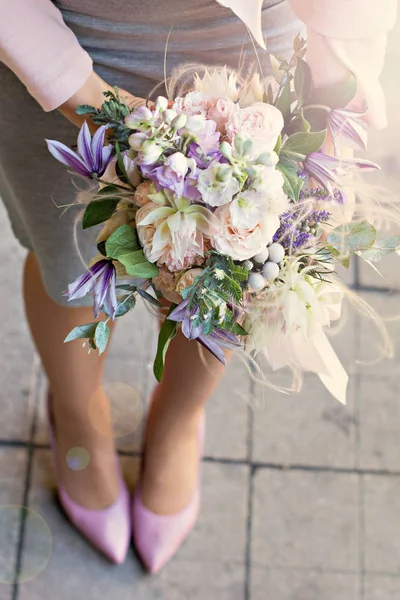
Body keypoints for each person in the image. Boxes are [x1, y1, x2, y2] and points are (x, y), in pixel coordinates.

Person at [0, 0, 397, 572]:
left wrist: (336, 66)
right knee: (69, 268)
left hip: (254, 40)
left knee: (230, 276)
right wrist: (74, 88)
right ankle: (78, 413)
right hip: (59, 39)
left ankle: (178, 422)